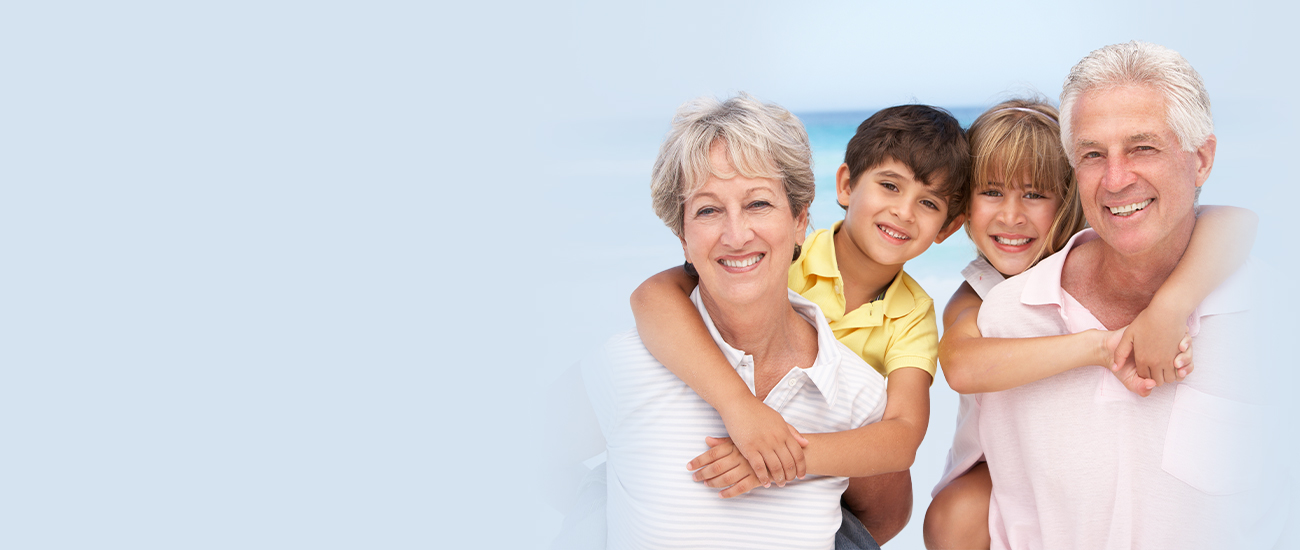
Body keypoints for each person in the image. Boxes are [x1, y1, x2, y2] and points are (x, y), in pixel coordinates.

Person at [967, 41, 1283, 549]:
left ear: (1201, 160)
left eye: (1143, 148)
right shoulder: (1008, 318)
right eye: (1093, 155)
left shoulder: (1275, 316)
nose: (1116, 179)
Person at [630, 104, 969, 544]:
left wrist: (777, 456)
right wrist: (743, 411)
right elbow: (653, 296)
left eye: (927, 203)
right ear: (846, 185)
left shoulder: (914, 313)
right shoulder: (780, 253)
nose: (904, 212)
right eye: (889, 186)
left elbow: (902, 436)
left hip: (832, 479)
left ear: (948, 228)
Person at [580, 93, 891, 550]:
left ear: (801, 219)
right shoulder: (627, 364)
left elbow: (876, 524)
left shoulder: (857, 393)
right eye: (708, 210)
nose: (736, 234)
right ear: (683, 238)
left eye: (758, 204)